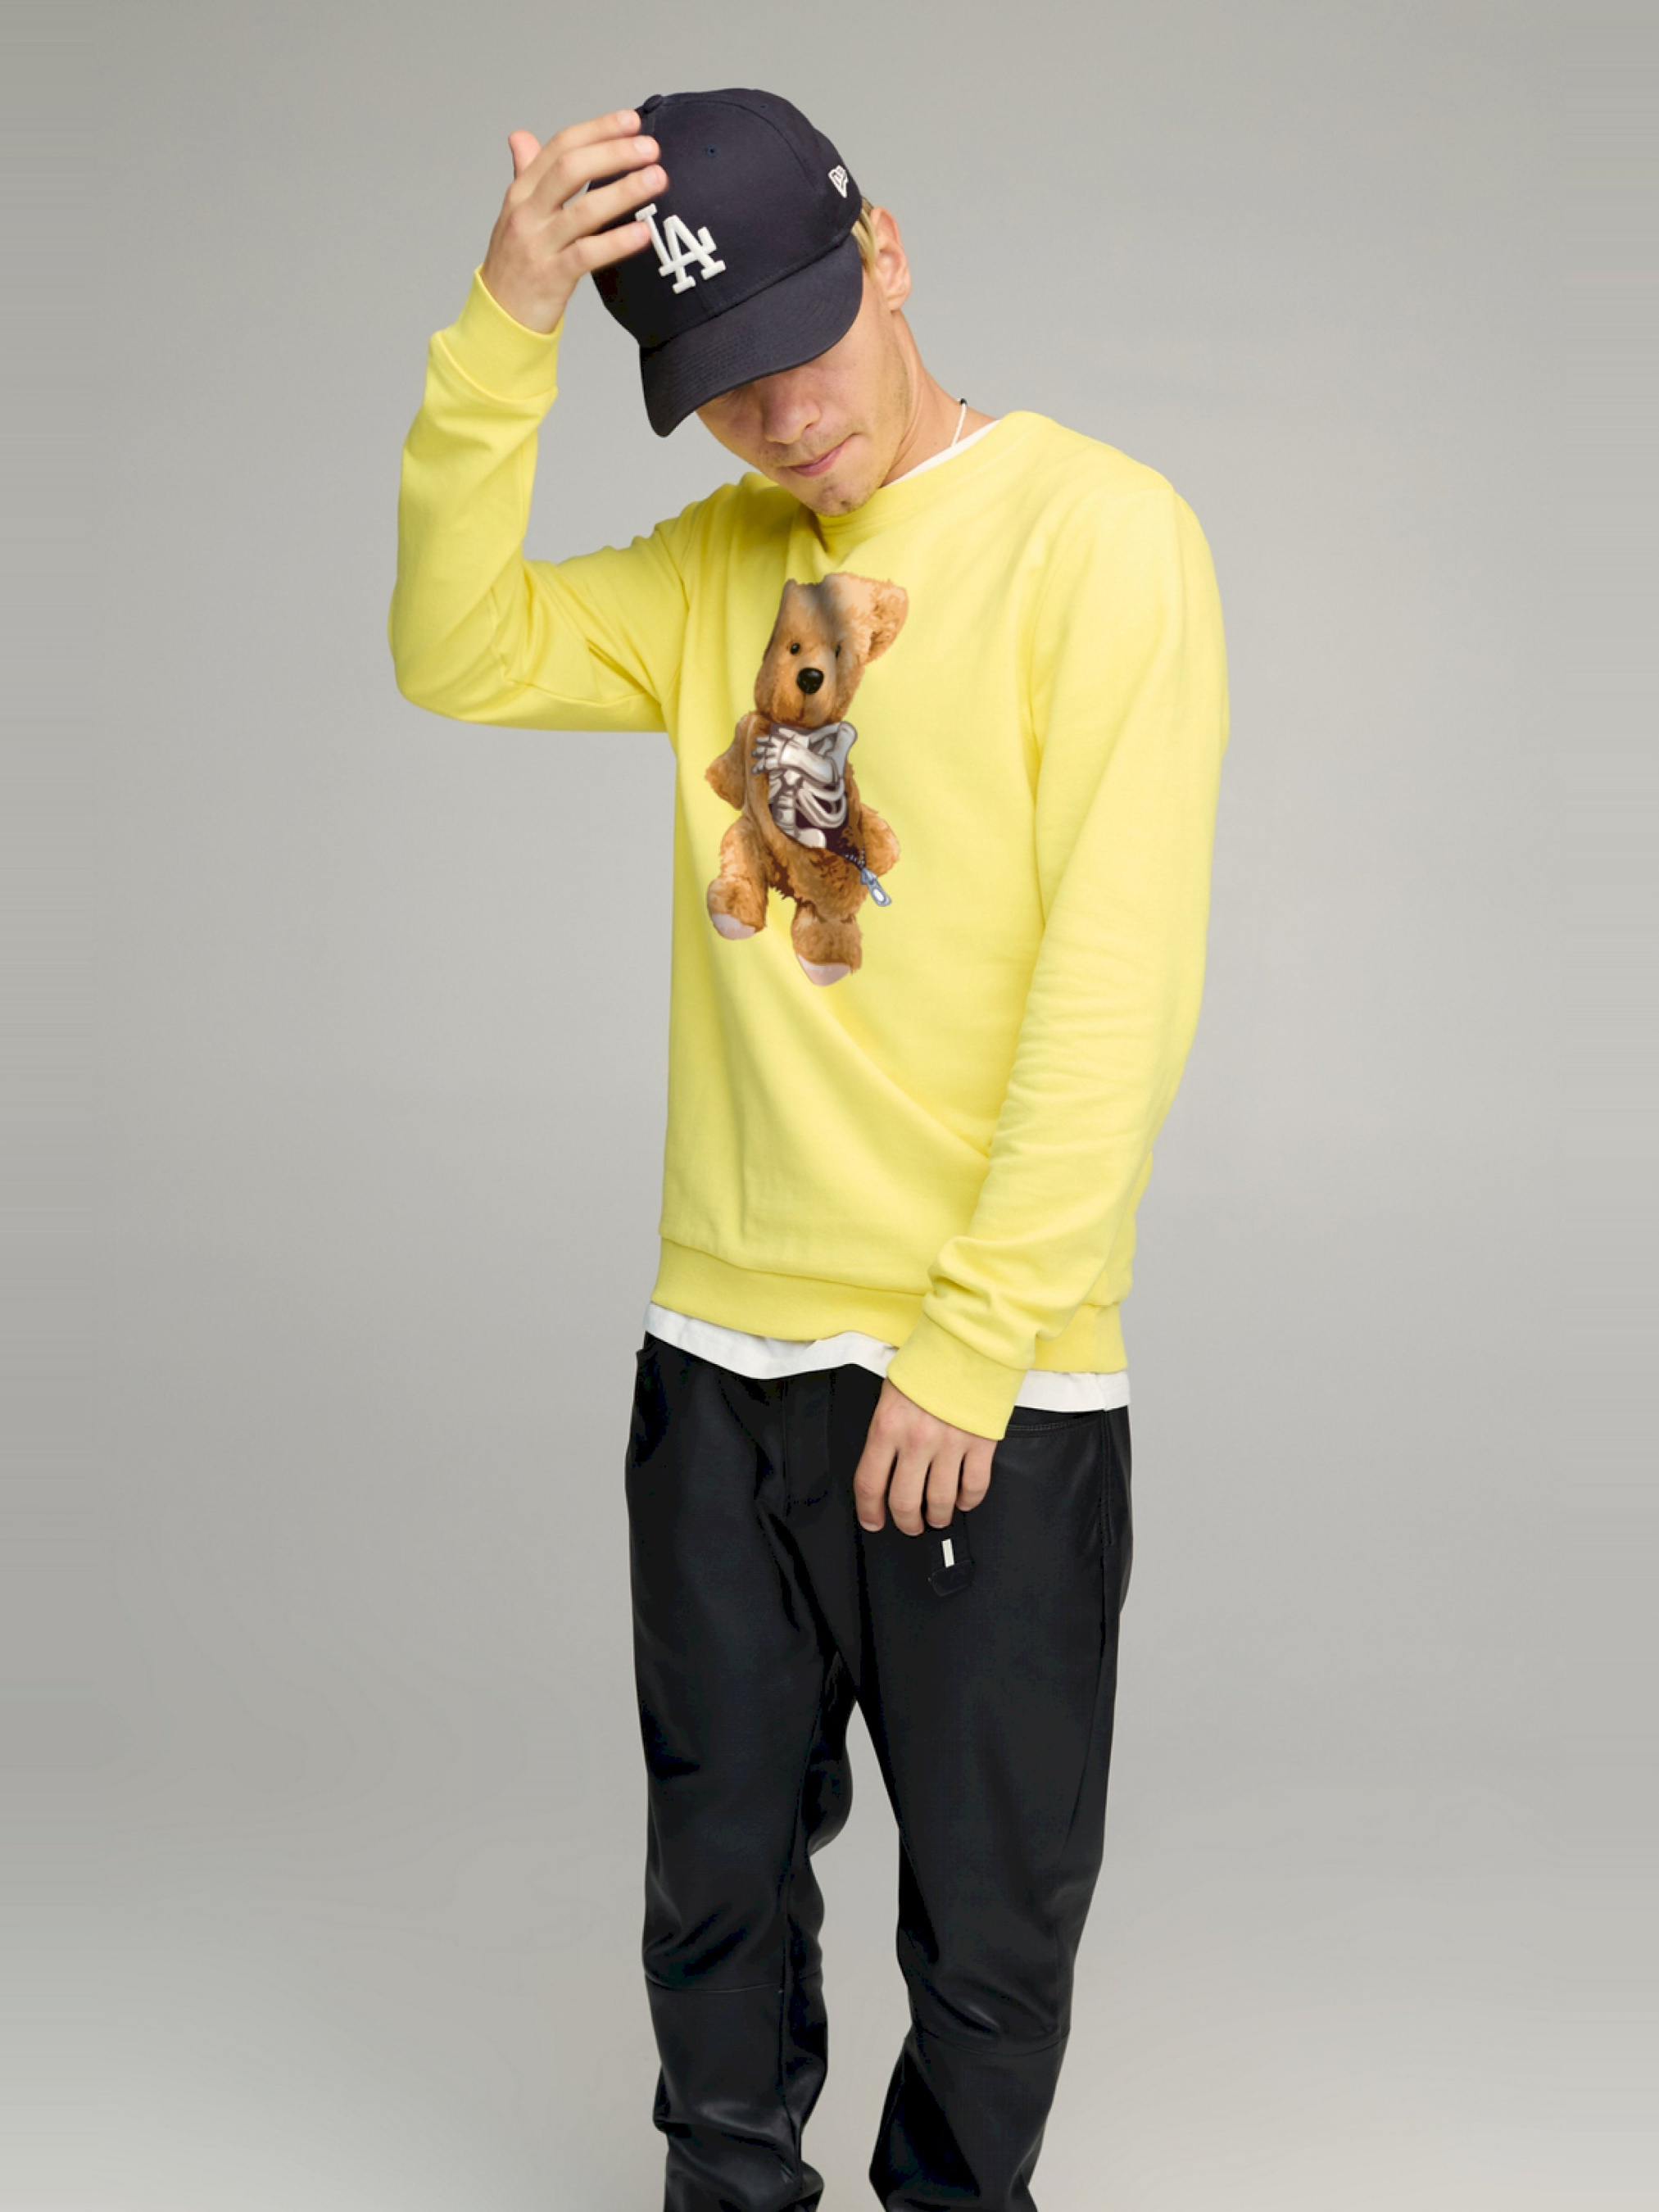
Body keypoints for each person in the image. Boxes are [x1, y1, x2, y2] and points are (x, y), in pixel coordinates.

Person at [389, 85, 1228, 2212]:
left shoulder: (1099, 532)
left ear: (888, 256)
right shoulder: (715, 566)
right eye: (721, 388)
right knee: (718, 1882)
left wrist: (974, 1336)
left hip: (985, 1376)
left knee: (994, 1909)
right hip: (720, 1359)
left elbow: (1116, 981)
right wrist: (504, 326)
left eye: (799, 347)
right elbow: (453, 648)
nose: (778, 420)